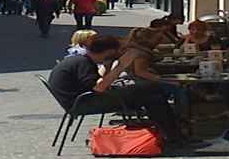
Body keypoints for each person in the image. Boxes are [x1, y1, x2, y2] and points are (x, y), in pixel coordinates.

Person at [48, 35, 177, 141]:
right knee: (150, 87)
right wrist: (120, 67)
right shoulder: (82, 63)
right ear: (110, 51)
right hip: (83, 103)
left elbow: (99, 81)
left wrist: (109, 66)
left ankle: (169, 134)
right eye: (123, 49)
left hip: (86, 99)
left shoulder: (83, 60)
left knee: (154, 98)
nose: (127, 52)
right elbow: (98, 87)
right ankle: (174, 131)